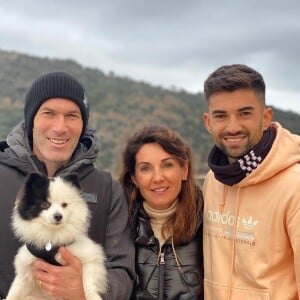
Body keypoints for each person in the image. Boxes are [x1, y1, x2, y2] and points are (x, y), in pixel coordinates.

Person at [0, 71, 135, 300]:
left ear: (83, 124)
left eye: (72, 115)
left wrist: (83, 291)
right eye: (49, 113)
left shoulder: (107, 188)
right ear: (31, 119)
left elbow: (123, 273)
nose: (60, 127)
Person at [202, 64, 300, 299]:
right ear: (208, 122)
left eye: (245, 113)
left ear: (266, 118)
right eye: (221, 116)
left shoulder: (294, 186)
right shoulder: (212, 181)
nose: (233, 127)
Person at [119, 124, 204, 300]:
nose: (157, 178)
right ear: (134, 178)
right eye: (145, 168)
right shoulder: (118, 228)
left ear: (184, 170)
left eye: (167, 165)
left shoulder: (209, 224)